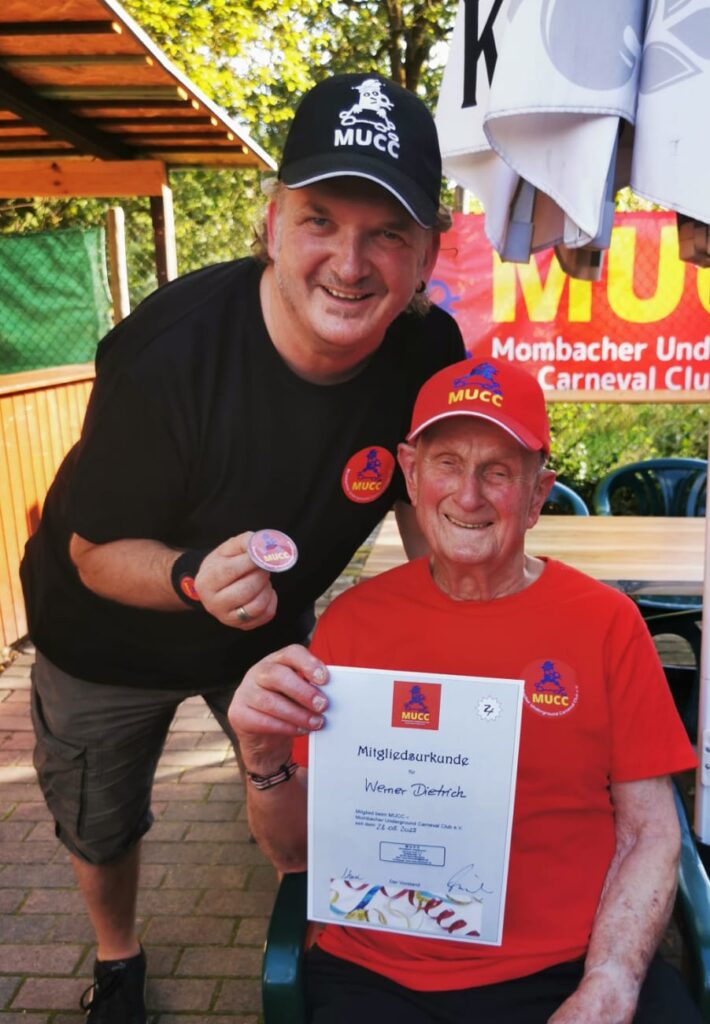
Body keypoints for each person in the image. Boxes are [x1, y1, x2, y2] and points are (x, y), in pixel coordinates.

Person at [20, 72, 465, 1023]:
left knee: (312, 789)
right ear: (271, 224)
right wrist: (191, 577)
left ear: (429, 252)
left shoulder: (428, 353)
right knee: (100, 821)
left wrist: (459, 622)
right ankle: (118, 959)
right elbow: (93, 550)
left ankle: (334, 945)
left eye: (387, 233)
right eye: (320, 221)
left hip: (265, 627)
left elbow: (421, 510)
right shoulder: (166, 352)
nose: (351, 264)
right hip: (101, 633)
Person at [229, 356, 699, 1024]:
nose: (469, 495)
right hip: (378, 974)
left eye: (498, 471)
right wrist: (263, 756)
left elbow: (651, 830)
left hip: (567, 966)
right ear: (411, 474)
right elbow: (295, 853)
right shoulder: (353, 624)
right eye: (447, 463)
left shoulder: (606, 623)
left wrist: (612, 980)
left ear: (538, 493)